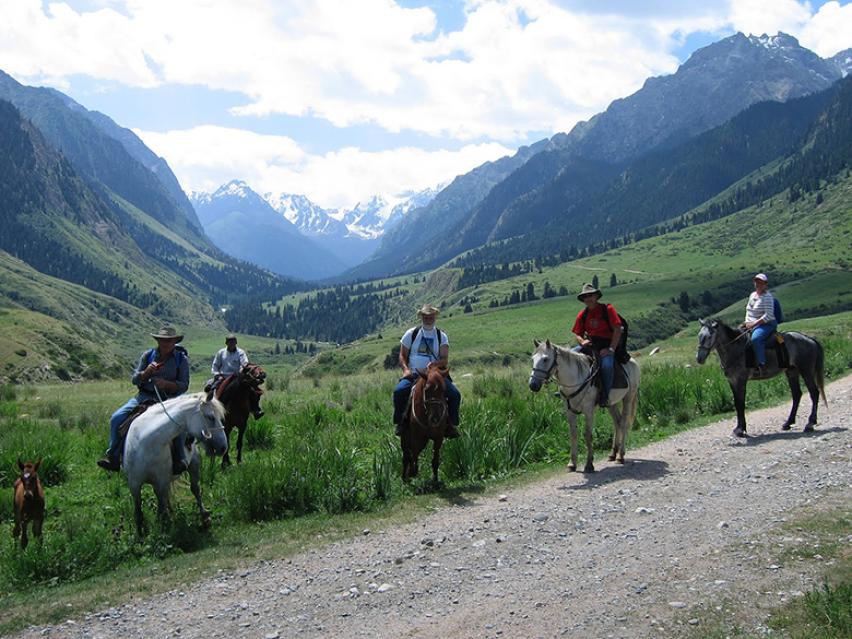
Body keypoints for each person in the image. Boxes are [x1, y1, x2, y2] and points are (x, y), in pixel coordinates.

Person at [97, 326, 190, 473]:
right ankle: (113, 457)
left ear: (174, 342)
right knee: (116, 418)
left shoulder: (181, 359)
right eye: (162, 340)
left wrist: (168, 384)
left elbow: (184, 385)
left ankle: (179, 459)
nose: (165, 343)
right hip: (144, 397)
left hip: (169, 400)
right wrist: (145, 373)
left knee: (178, 425)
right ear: (158, 341)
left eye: (168, 340)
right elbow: (134, 380)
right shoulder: (148, 355)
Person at [393, 304, 461, 438]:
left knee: (455, 395)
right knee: (399, 392)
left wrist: (435, 364)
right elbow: (402, 355)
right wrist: (406, 370)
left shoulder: (442, 336)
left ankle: (452, 424)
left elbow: (444, 359)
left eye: (430, 316)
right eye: (425, 316)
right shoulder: (411, 333)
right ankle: (400, 422)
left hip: (435, 375)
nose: (428, 319)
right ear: (421, 317)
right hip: (414, 374)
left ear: (435, 316)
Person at [571, 283, 623, 407]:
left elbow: (617, 329)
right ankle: (566, 390)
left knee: (607, 366)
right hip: (591, 345)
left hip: (607, 344)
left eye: (591, 295)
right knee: (569, 356)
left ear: (596, 296)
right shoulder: (582, 315)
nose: (588, 298)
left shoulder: (608, 309)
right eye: (585, 296)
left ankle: (605, 395)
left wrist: (611, 349)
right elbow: (578, 333)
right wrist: (582, 342)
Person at [210, 333, 263, 419]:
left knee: (253, 391)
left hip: (237, 377)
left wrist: (242, 369)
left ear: (236, 343)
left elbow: (244, 363)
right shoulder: (221, 353)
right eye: (230, 342)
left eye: (233, 342)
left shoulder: (240, 352)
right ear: (226, 343)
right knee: (210, 388)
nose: (232, 344)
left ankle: (255, 410)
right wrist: (217, 374)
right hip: (223, 377)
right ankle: (210, 410)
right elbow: (215, 365)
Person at [741, 272, 776, 376]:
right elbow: (748, 310)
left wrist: (753, 324)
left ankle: (762, 365)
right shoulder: (752, 295)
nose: (758, 284)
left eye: (760, 282)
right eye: (756, 282)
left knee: (756, 339)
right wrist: (747, 322)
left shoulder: (767, 297)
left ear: (765, 284)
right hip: (751, 324)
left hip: (766, 324)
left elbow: (768, 315)